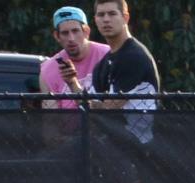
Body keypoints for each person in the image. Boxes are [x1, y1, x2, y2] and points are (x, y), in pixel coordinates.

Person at [88, 0, 159, 145]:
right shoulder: (102, 64)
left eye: (112, 14)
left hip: (138, 145)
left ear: (125, 18)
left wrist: (94, 105)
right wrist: (72, 82)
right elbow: (89, 104)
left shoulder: (134, 56)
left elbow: (109, 107)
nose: (106, 19)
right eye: (101, 15)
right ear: (95, 20)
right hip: (109, 142)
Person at [40, 6, 109, 109]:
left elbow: (115, 107)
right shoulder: (48, 69)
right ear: (57, 36)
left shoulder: (108, 55)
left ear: (86, 31)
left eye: (75, 31)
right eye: (65, 33)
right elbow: (51, 119)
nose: (71, 38)